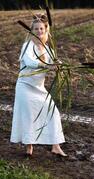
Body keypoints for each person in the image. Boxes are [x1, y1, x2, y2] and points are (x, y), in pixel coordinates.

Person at [10, 13, 67, 157]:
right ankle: (29, 147)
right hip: (25, 86)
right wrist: (48, 66)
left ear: (45, 30)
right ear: (32, 31)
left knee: (53, 112)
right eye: (36, 29)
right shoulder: (27, 46)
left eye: (41, 29)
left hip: (39, 88)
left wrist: (57, 66)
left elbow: (53, 64)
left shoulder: (49, 50)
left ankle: (56, 146)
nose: (39, 31)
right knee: (29, 115)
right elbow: (30, 62)